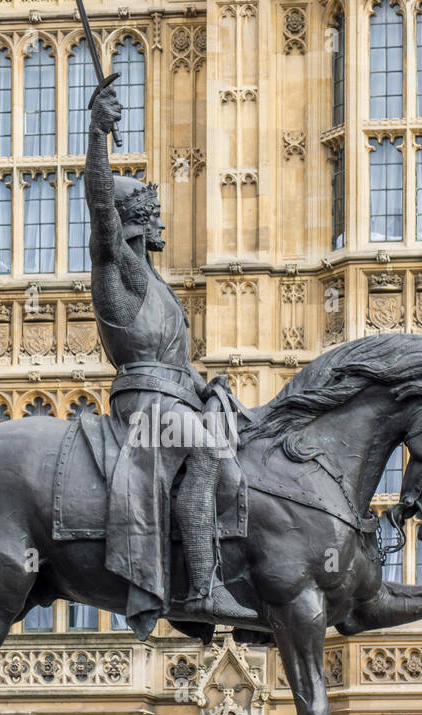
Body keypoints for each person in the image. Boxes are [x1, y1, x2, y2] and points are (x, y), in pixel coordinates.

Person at [85, 78, 257, 637]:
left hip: (173, 396)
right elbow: (99, 205)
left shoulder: (154, 284)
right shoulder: (117, 267)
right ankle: (205, 588)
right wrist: (96, 134)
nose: (162, 223)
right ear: (136, 217)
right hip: (145, 404)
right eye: (154, 213)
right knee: (205, 449)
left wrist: (208, 387)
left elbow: (175, 363)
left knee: (239, 444)